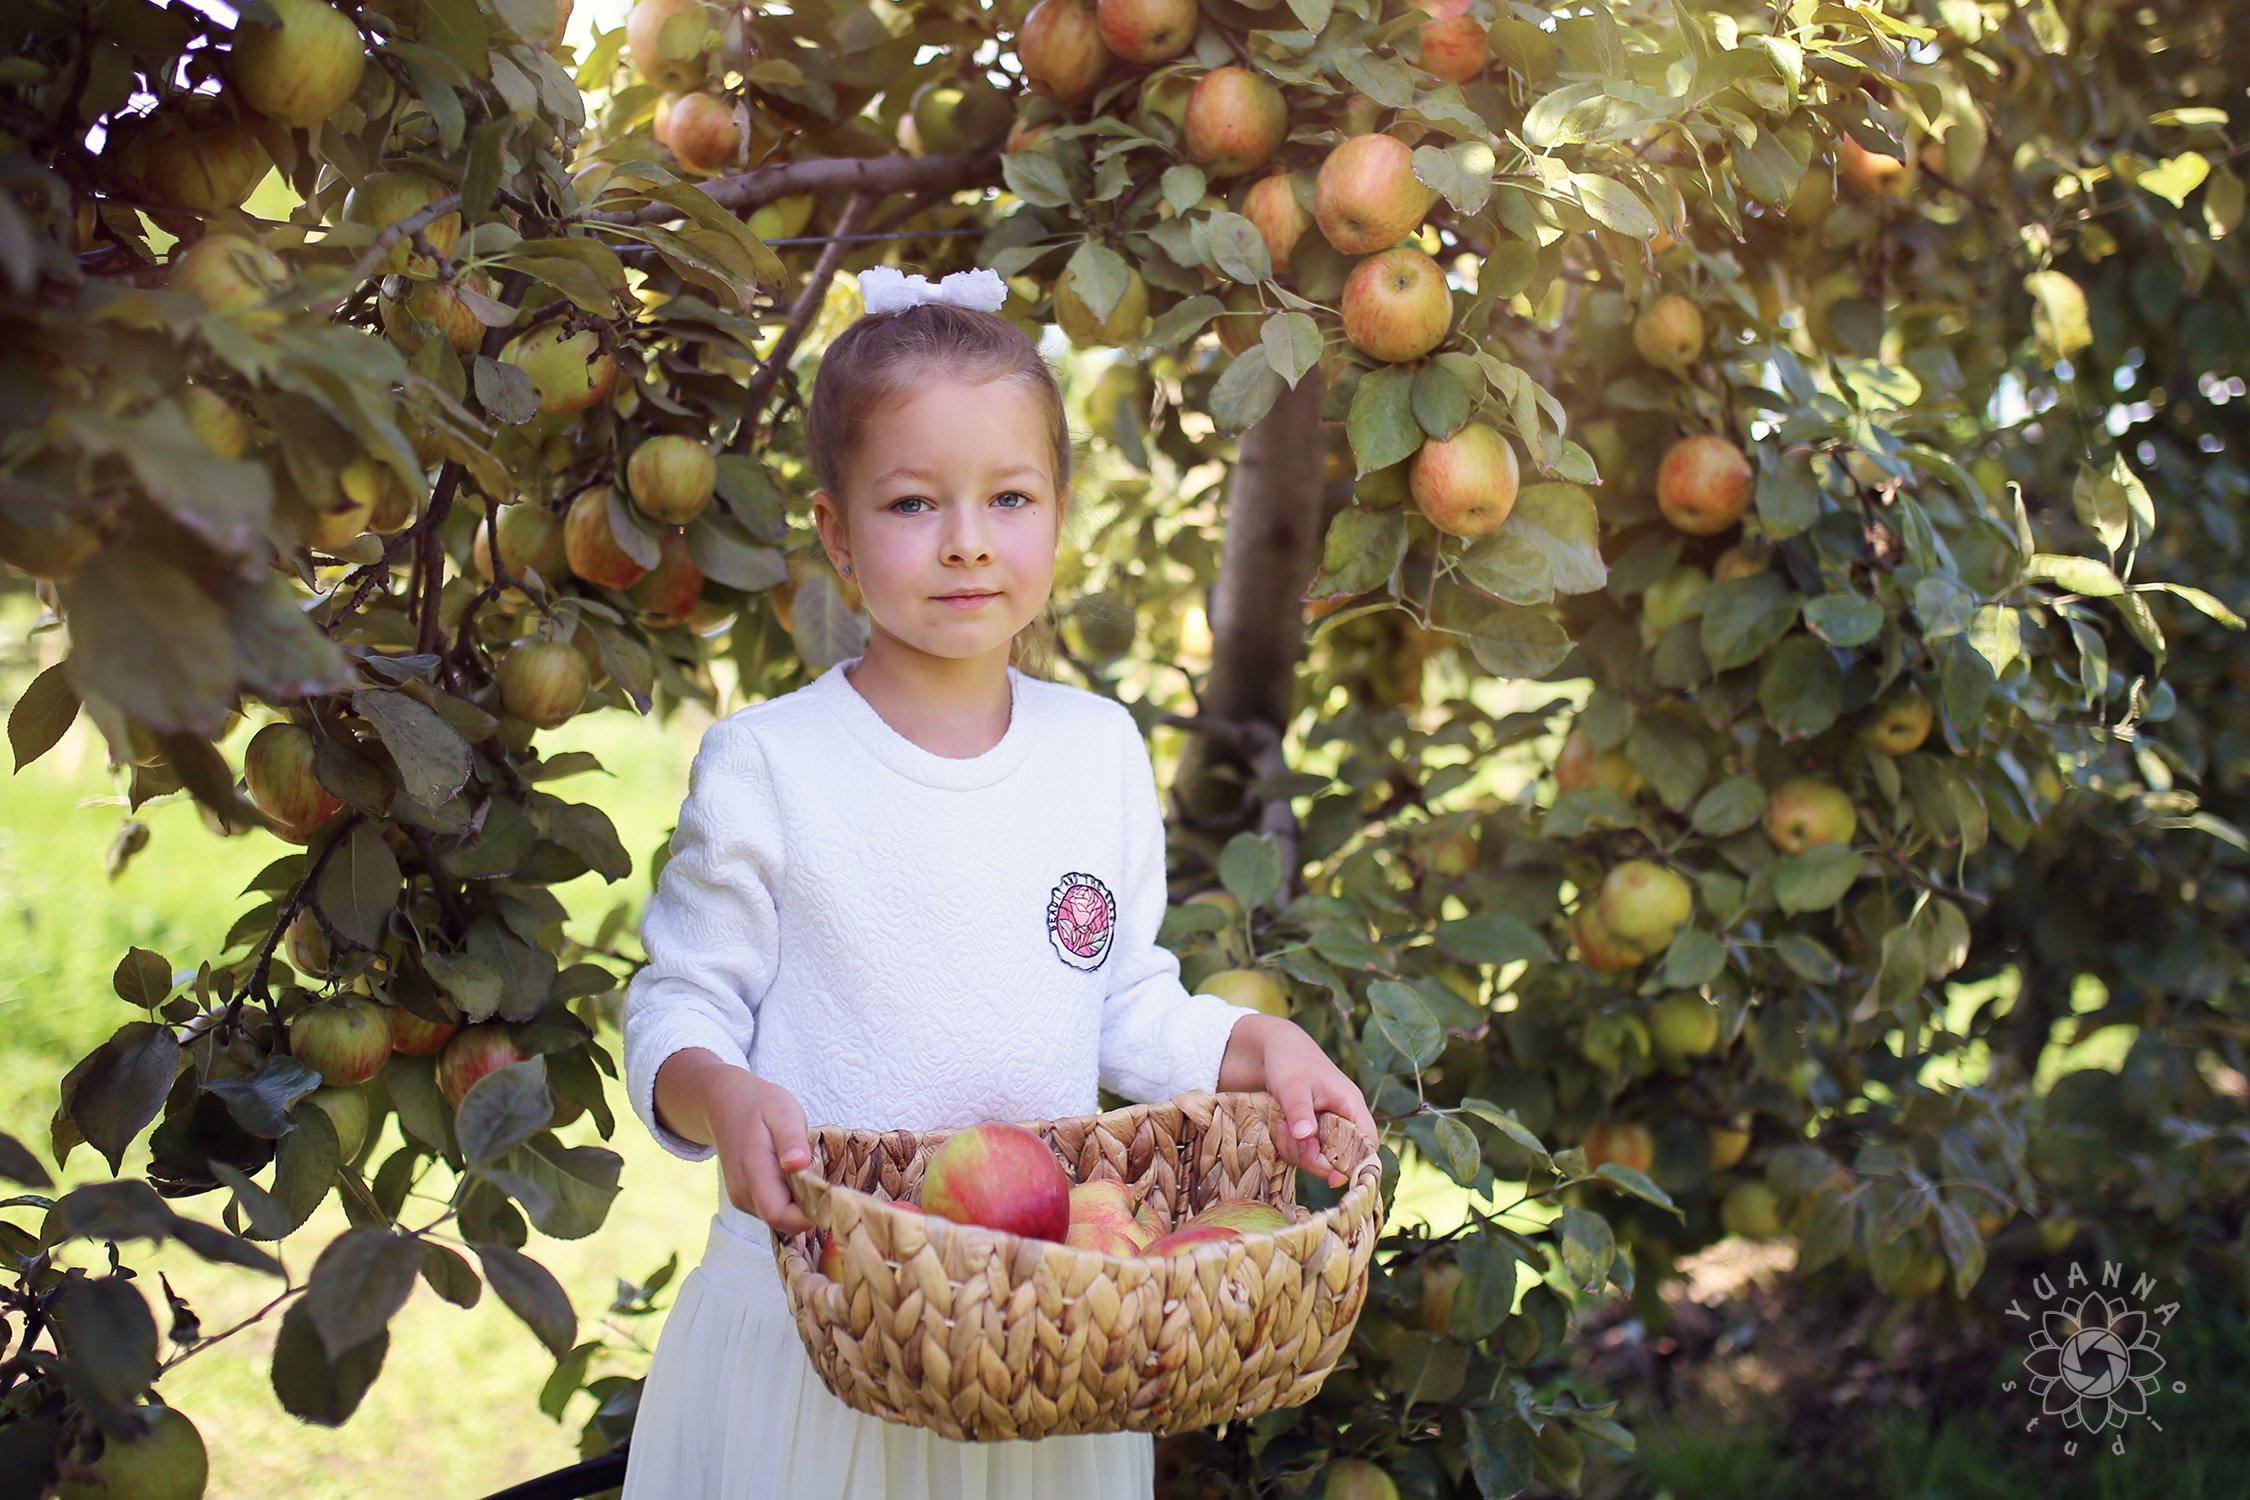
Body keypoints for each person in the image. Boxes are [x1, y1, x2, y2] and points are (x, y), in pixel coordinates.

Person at [617, 265, 1380, 1499]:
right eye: (915, 502)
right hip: (825, 1333)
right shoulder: (771, 765)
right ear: (834, 533)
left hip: (1042, 1348)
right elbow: (677, 1002)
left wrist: (1254, 1046)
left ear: (1060, 514)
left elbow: (1127, 999)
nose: (968, 539)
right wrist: (721, 1093)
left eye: (1010, 497)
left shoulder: (1096, 750)